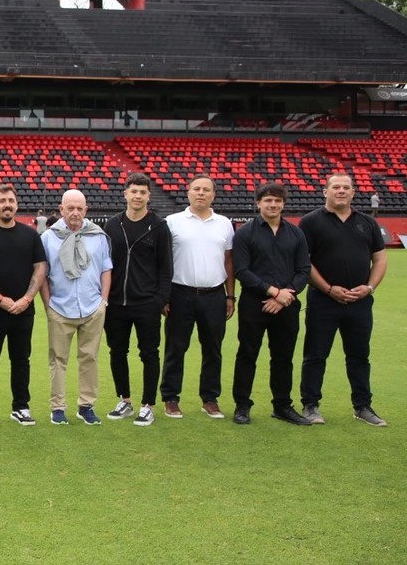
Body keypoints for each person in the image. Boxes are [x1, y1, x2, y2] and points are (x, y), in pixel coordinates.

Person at [299, 174, 388, 426]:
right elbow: (304, 261)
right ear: (325, 192)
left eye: (346, 187)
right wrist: (329, 289)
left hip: (360, 302)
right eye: (336, 187)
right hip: (323, 301)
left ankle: (362, 406)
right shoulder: (310, 222)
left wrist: (369, 288)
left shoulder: (367, 222)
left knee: (359, 356)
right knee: (315, 355)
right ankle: (310, 405)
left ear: (353, 192)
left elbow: (380, 259)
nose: (341, 191)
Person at [231, 183, 312, 426]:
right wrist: (274, 292)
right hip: (253, 304)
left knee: (283, 357)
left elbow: (304, 270)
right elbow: (242, 270)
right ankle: (242, 405)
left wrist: (285, 295)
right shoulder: (245, 233)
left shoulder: (296, 233)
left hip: (287, 304)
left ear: (283, 204)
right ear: (258, 203)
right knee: (247, 354)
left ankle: (282, 406)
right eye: (268, 200)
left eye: (277, 200)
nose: (273, 204)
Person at [161, 175, 235, 420]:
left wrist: (230, 296)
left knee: (213, 349)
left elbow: (228, 261)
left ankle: (210, 399)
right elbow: (163, 262)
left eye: (206, 189)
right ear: (188, 192)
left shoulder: (224, 224)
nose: (201, 193)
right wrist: (164, 296)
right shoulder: (172, 222)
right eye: (196, 189)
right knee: (175, 348)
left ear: (214, 195)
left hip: (214, 294)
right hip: (180, 293)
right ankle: (171, 398)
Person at [0, 184, 47, 426]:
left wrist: (27, 299)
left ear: (17, 205)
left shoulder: (31, 235)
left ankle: (21, 406)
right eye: (2, 201)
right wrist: (0, 299)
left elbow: (40, 268)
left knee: (21, 359)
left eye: (11, 201)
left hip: (24, 310)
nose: (7, 205)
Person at [102, 173, 172, 427]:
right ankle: (125, 400)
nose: (138, 196)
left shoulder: (159, 226)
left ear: (149, 196)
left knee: (149, 354)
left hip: (146, 304)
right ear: (126, 194)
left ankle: (148, 405)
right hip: (116, 304)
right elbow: (103, 264)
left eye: (142, 192)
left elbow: (166, 267)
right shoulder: (113, 225)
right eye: (134, 191)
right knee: (117, 352)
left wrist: (159, 300)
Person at [40, 189, 112, 425]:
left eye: (79, 208)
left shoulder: (98, 235)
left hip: (92, 307)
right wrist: (48, 305)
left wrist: (103, 301)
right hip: (60, 308)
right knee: (58, 360)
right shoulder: (48, 237)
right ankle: (58, 407)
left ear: (86, 210)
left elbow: (106, 269)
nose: (75, 213)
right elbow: (42, 274)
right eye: (70, 208)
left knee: (89, 358)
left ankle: (86, 406)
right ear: (61, 209)